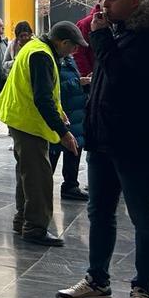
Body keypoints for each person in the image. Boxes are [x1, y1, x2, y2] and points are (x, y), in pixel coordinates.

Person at [57, 0, 149, 298]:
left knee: (142, 217)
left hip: (137, 142)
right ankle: (97, 282)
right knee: (99, 213)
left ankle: (143, 290)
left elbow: (123, 78)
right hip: (105, 140)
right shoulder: (118, 33)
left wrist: (102, 38)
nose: (104, 4)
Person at [0, 22, 84, 247]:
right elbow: (42, 97)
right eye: (74, 47)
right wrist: (64, 133)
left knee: (27, 172)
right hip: (28, 120)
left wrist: (60, 112)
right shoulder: (42, 55)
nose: (75, 52)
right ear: (63, 43)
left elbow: (45, 92)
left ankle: (22, 219)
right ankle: (35, 227)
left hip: (21, 117)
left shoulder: (36, 47)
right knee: (38, 176)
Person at [52, 54, 89, 202]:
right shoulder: (52, 60)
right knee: (53, 152)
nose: (75, 49)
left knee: (74, 151)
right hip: (64, 114)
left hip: (76, 115)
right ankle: (43, 186)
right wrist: (77, 82)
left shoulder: (69, 60)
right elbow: (54, 88)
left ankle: (71, 185)